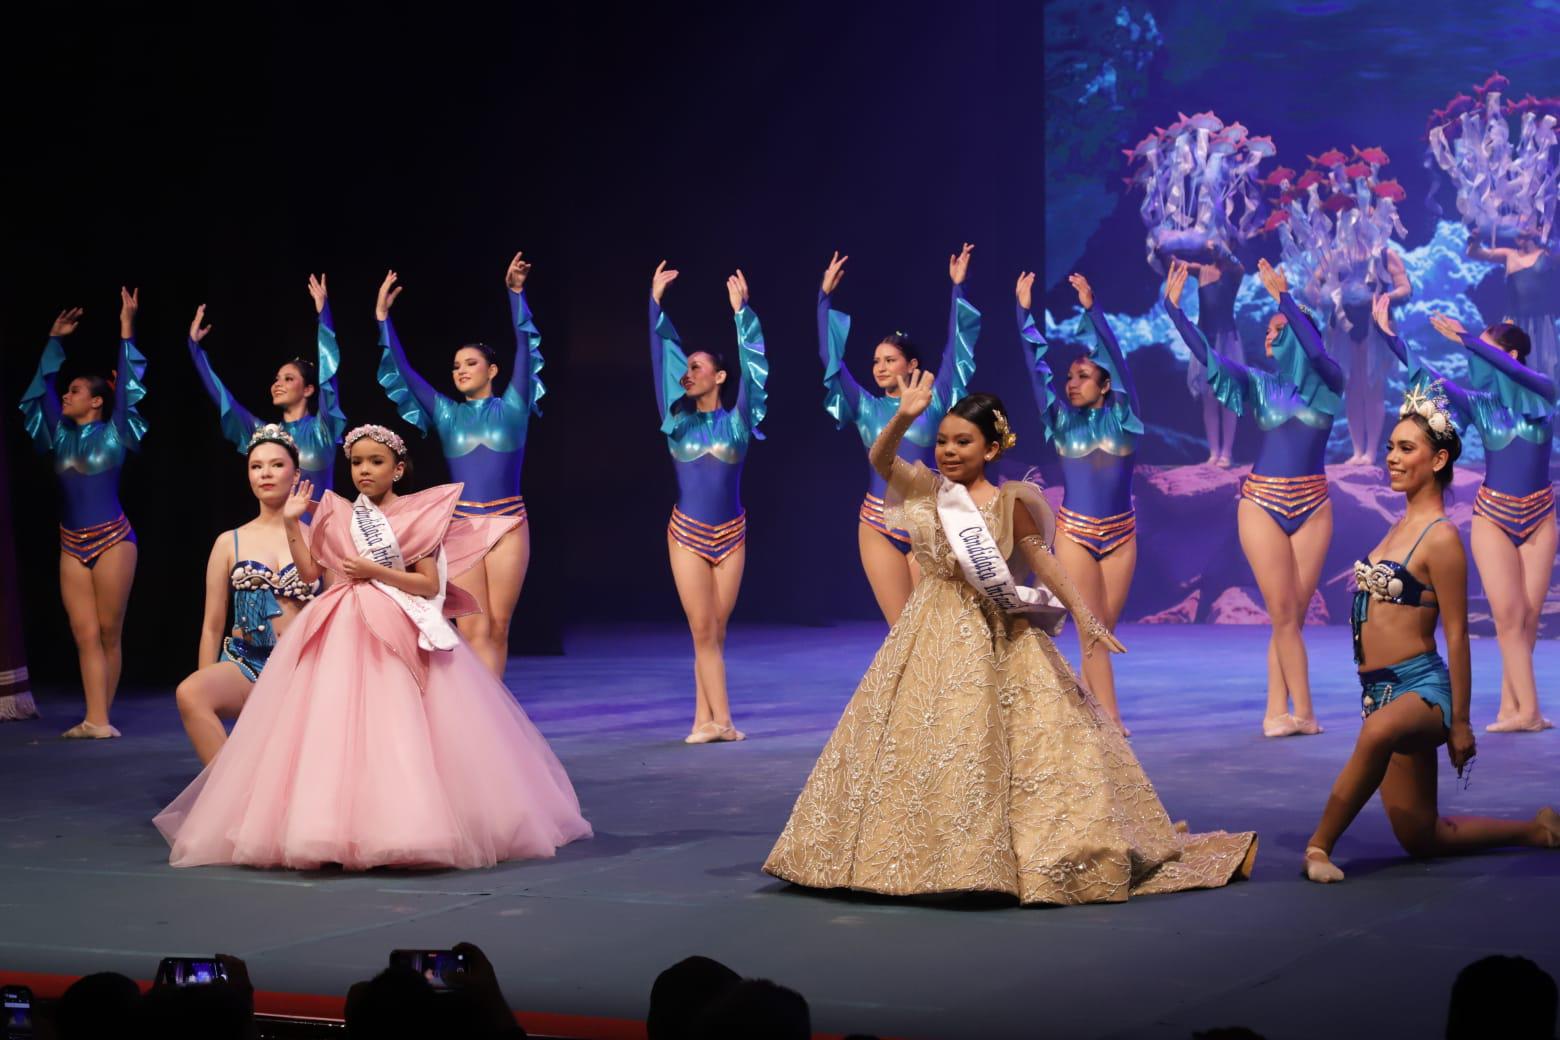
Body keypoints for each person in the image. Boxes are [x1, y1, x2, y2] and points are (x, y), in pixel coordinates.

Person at [764, 373, 1257, 904]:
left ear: (992, 448)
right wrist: (904, 415)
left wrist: (1087, 618)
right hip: (928, 628)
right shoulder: (928, 487)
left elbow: (1043, 561)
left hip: (997, 631)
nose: (949, 451)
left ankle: (994, 857)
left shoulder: (1010, 500)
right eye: (944, 440)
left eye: (964, 442)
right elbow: (881, 459)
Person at [154, 424, 591, 869]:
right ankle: (328, 829)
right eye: (357, 462)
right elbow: (308, 574)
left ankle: (405, 826)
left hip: (394, 622)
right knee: (335, 733)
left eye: (376, 462)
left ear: (398, 469)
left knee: (394, 726)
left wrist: (375, 571)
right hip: (338, 624)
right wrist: (291, 523)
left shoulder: (418, 514)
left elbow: (428, 583)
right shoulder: (336, 513)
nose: (364, 470)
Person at [1300, 392, 1560, 883]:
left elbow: (1458, 635)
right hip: (1378, 694)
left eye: (1405, 449)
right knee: (1423, 837)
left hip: (1422, 692)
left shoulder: (1441, 537)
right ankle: (1536, 832)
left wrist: (1459, 723)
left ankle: (1318, 847)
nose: (1392, 458)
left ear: (1438, 459)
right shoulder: (1399, 525)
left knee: (1376, 735)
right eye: (1391, 448)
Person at [1165, 258, 1340, 737]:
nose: (1269, 334)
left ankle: (1273, 712)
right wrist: (1174, 311)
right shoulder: (1261, 386)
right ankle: (1303, 713)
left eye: (1279, 328)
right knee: (1283, 612)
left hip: (1313, 506)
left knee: (1292, 617)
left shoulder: (1328, 383)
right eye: (1266, 329)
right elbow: (1207, 355)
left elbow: (1320, 356)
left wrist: (1286, 300)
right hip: (1261, 502)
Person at [1375, 297, 1557, 731]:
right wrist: (1389, 336)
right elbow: (1430, 380)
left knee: (1527, 617)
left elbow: (1515, 373)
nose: (1471, 358)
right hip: (1493, 516)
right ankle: (1529, 713)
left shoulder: (1544, 393)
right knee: (1508, 616)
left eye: (1481, 351)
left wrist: (1467, 337)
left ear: (1507, 355)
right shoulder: (1482, 405)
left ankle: (1512, 707)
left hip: (1540, 517)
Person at [375, 253, 544, 677]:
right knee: (470, 630)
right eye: (455, 366)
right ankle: (479, 716)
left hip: (508, 525)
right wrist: (382, 320)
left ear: (492, 370)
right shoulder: (447, 414)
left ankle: (494, 722)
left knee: (499, 628)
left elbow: (526, 345)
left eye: (470, 363)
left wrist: (516, 294)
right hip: (463, 526)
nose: (460, 370)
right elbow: (403, 370)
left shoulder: (515, 407)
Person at [816, 245, 979, 624]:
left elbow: (956, 352)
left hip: (927, 524)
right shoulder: (866, 406)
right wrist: (824, 299)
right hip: (877, 524)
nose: (880, 367)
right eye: (875, 361)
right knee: (900, 632)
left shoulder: (933, 400)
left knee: (927, 633)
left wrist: (959, 288)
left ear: (912, 365)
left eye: (890, 360)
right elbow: (831, 362)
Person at [18, 290, 146, 738]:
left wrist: (126, 330)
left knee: (109, 630)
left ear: (96, 401)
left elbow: (130, 392)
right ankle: (96, 719)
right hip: (70, 542)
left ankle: (100, 717)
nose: (67, 396)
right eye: (68, 390)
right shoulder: (59, 434)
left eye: (77, 391)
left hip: (113, 538)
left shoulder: (115, 433)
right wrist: (54, 340)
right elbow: (39, 394)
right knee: (83, 632)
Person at [650, 262, 768, 744]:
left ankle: (704, 720)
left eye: (698, 366)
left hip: (733, 534)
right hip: (687, 535)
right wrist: (654, 306)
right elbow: (660, 358)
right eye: (687, 367)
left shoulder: (738, 421)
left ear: (720, 375)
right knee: (702, 629)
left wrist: (743, 316)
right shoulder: (675, 421)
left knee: (716, 632)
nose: (688, 373)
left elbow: (757, 376)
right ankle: (723, 722)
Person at [1017, 270, 1141, 732]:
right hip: (1075, 534)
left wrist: (1093, 310)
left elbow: (1119, 362)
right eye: (1069, 377)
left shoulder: (1125, 420)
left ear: (1105, 385)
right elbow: (1037, 369)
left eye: (1083, 377)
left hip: (1122, 536)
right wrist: (1023, 314)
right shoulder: (1062, 424)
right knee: (1093, 627)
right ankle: (1111, 719)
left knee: (1104, 628)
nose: (1072, 383)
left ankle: (1089, 710)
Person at [174, 426, 319, 764]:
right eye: (256, 466)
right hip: (247, 662)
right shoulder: (229, 541)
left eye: (276, 465)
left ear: (296, 473)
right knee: (190, 693)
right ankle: (230, 796)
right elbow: (212, 625)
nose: (265, 473)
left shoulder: (319, 536)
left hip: (304, 667)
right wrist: (204, 675)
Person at [186, 273, 347, 496]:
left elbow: (329, 373)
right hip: (277, 531)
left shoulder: (323, 430)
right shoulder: (266, 434)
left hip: (323, 530)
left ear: (308, 389)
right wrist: (195, 349)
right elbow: (225, 400)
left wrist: (324, 314)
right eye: (276, 379)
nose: (277, 384)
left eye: (288, 379)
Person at [1468, 233, 1560, 383]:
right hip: (1514, 321)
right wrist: (1476, 238)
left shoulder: (1547, 255)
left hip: (1540, 323)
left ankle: (1540, 402)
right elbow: (1474, 253)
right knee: (1510, 365)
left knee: (1544, 366)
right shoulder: (1508, 254)